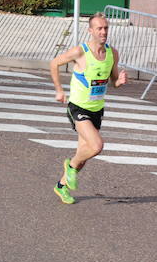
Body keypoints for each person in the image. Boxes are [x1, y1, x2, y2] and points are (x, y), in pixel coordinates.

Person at [49, 12, 128, 204]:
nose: (103, 32)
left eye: (106, 28)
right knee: (96, 146)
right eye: (99, 28)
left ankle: (61, 186)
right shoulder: (80, 52)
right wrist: (59, 90)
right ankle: (70, 165)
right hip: (78, 107)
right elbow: (54, 63)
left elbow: (113, 80)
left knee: (84, 156)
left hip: (96, 110)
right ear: (90, 30)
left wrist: (120, 81)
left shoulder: (112, 53)